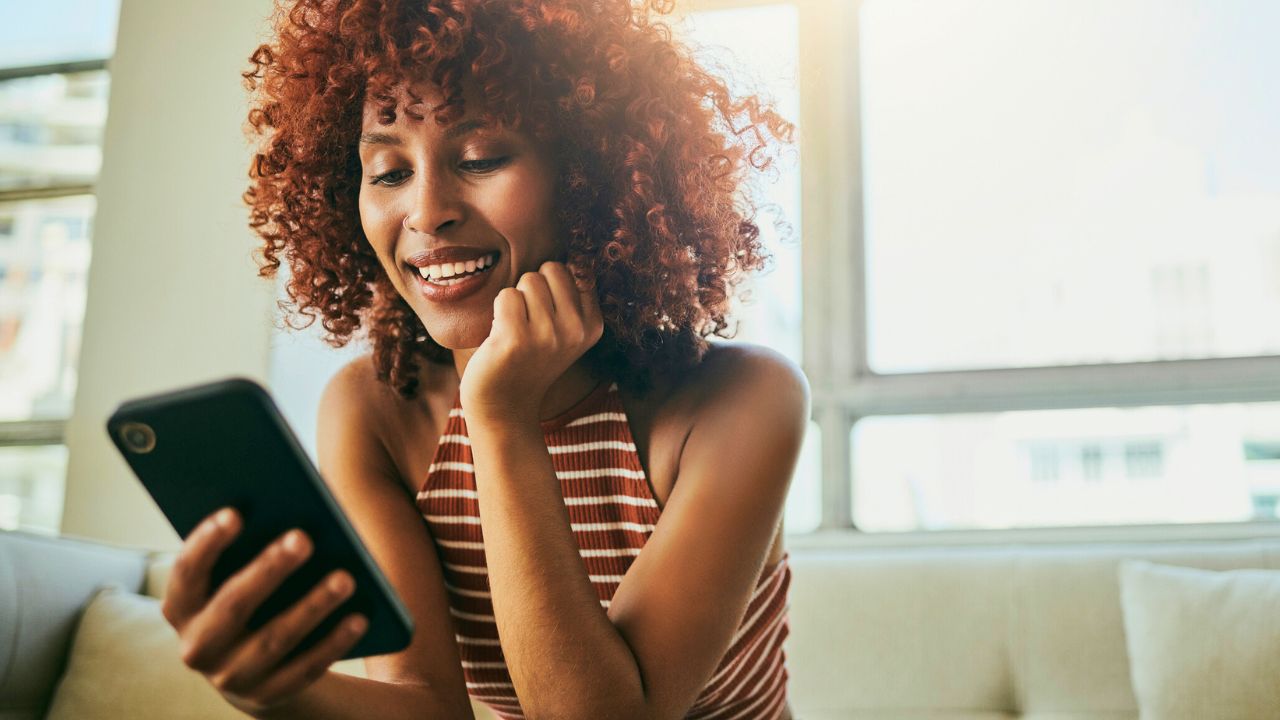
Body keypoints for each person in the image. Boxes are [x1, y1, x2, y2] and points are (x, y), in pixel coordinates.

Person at [159, 0, 807, 718]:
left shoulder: (743, 400)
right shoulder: (376, 410)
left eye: (480, 159)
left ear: (593, 179)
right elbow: (428, 705)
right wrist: (268, 688)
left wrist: (499, 420)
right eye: (388, 170)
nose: (427, 210)